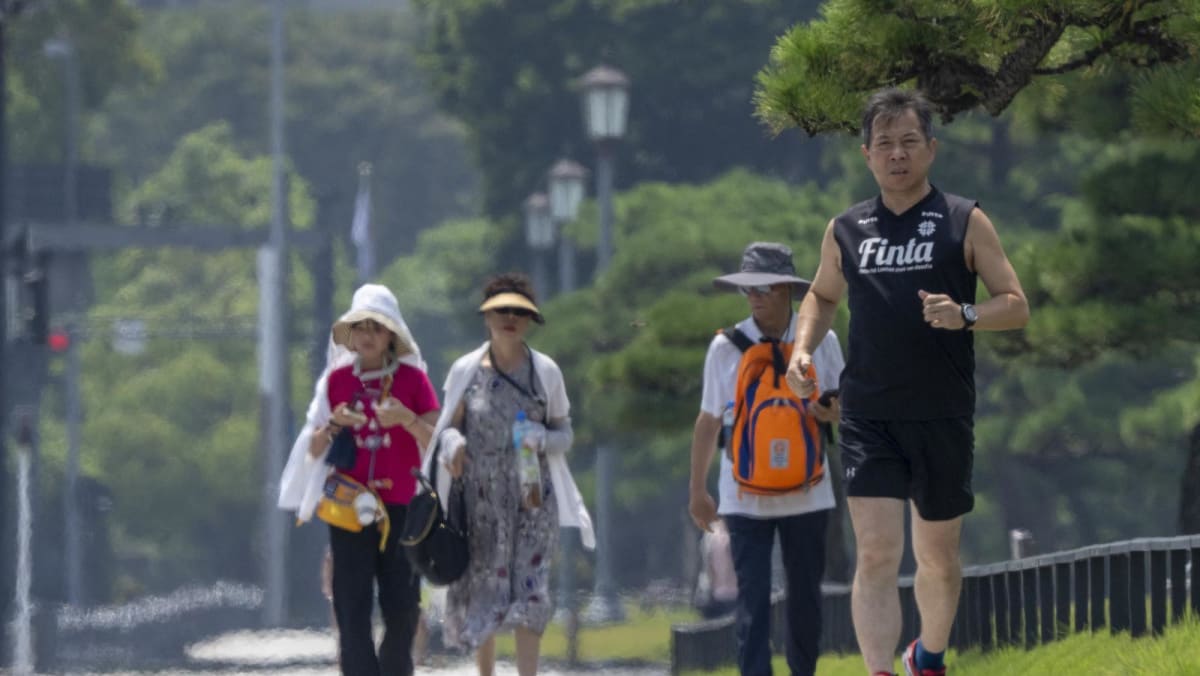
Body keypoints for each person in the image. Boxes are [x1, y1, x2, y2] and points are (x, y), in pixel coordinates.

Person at [784, 88, 1029, 676]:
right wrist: (801, 349)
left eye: (909, 142)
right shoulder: (846, 228)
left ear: (931, 149)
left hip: (942, 411)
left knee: (938, 558)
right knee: (875, 553)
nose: (898, 154)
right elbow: (820, 294)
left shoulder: (964, 219)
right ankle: (879, 670)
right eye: (885, 144)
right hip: (868, 413)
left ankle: (930, 656)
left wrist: (966, 314)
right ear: (867, 154)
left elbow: (1015, 304)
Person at [422, 272, 595, 676]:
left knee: (530, 589)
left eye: (519, 312)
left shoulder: (545, 372)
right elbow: (448, 426)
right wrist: (453, 447)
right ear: (487, 318)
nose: (510, 319)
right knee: (485, 587)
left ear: (530, 319)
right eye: (501, 311)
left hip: (533, 498)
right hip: (480, 500)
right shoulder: (466, 371)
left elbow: (564, 431)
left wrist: (540, 437)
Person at [688, 242, 845, 676]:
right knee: (751, 602)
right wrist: (697, 491)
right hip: (742, 495)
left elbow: (842, 406)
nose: (755, 296)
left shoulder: (821, 340)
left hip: (810, 492)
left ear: (788, 290)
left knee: (806, 600)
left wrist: (829, 410)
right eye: (748, 289)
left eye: (764, 287)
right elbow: (707, 421)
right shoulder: (726, 347)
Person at [278, 283, 440, 676]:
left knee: (402, 604)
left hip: (400, 507)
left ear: (391, 336)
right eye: (360, 327)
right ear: (350, 335)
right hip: (348, 509)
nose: (367, 335)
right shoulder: (335, 383)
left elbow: (437, 442)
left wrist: (407, 419)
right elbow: (313, 450)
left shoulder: (413, 382)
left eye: (377, 327)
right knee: (350, 606)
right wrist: (334, 424)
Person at [694, 518, 737, 620]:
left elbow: (708, 563)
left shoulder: (712, 532)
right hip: (728, 595)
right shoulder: (716, 532)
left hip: (721, 594)